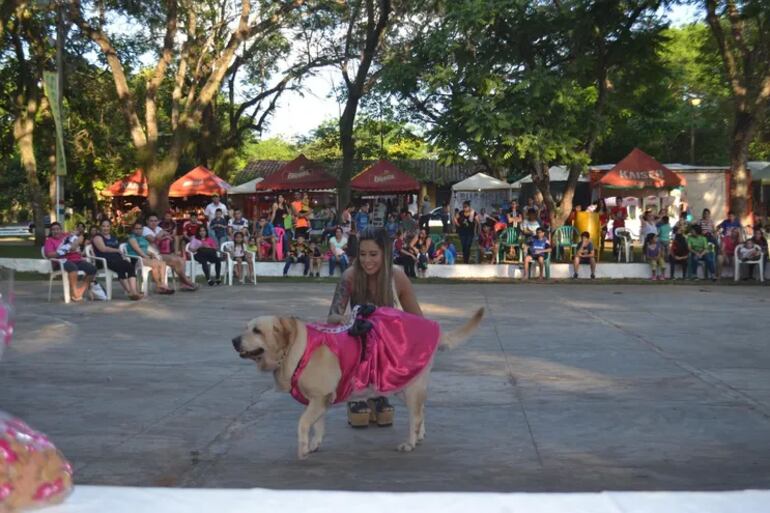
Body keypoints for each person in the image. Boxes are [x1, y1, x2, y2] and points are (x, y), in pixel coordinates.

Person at [327, 227, 425, 428]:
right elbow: (331, 317)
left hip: (384, 343)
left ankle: (379, 392)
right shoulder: (350, 276)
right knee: (351, 339)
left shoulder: (397, 278)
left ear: (385, 254)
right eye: (362, 254)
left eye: (373, 254)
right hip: (357, 339)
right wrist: (344, 319)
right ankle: (357, 394)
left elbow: (418, 320)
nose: (367, 260)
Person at [142, 214, 198, 291]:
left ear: (158, 221)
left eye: (155, 221)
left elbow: (169, 237)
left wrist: (162, 236)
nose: (153, 223)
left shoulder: (158, 228)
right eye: (151, 221)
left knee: (181, 260)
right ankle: (186, 282)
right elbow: (152, 240)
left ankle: (183, 283)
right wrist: (162, 234)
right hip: (152, 255)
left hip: (161, 252)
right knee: (177, 260)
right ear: (147, 221)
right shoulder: (145, 229)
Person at [43, 222, 97, 302]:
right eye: (53, 230)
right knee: (72, 267)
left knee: (92, 269)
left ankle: (79, 292)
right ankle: (75, 292)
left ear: (61, 230)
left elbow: (80, 237)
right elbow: (49, 254)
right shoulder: (49, 241)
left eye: (57, 229)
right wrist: (62, 251)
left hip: (75, 259)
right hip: (60, 261)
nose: (56, 231)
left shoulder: (66, 236)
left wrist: (74, 243)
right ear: (51, 231)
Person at [92, 219, 142, 300]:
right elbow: (103, 249)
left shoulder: (113, 237)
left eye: (108, 226)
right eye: (103, 226)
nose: (106, 228)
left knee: (129, 267)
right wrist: (117, 250)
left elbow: (118, 250)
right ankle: (130, 292)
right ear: (100, 227)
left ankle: (133, 292)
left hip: (116, 259)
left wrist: (122, 256)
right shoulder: (97, 237)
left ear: (110, 227)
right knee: (121, 267)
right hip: (104, 260)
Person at [126, 221, 175, 294]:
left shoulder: (142, 238)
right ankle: (160, 285)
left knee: (162, 263)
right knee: (156, 264)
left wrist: (152, 254)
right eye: (136, 229)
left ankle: (161, 284)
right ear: (133, 230)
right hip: (136, 259)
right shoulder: (132, 238)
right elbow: (138, 250)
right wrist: (146, 257)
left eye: (140, 228)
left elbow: (145, 249)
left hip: (144, 258)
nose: (138, 230)